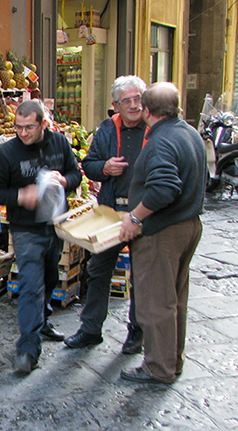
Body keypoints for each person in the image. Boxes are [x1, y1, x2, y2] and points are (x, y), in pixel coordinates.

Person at [0, 100, 82, 374]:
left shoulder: (60, 144)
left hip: (56, 225)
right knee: (30, 284)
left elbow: (76, 174)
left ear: (43, 124)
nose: (23, 133)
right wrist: (18, 196)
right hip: (26, 229)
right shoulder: (5, 154)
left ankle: (42, 320)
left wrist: (65, 181)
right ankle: (28, 349)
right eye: (18, 127)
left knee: (51, 277)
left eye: (29, 127)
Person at [118, 82, 205, 384]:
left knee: (156, 303)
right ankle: (172, 362)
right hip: (188, 225)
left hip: (163, 232)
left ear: (147, 110)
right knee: (175, 299)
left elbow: (164, 188)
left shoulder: (161, 141)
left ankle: (158, 368)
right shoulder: (190, 133)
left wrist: (135, 217)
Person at [64, 75, 147, 353]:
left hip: (143, 213)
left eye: (138, 99)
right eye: (128, 101)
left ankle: (137, 330)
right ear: (116, 105)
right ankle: (90, 330)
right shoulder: (108, 129)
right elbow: (89, 164)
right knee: (98, 270)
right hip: (112, 212)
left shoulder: (154, 127)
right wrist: (105, 167)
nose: (134, 105)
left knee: (142, 275)